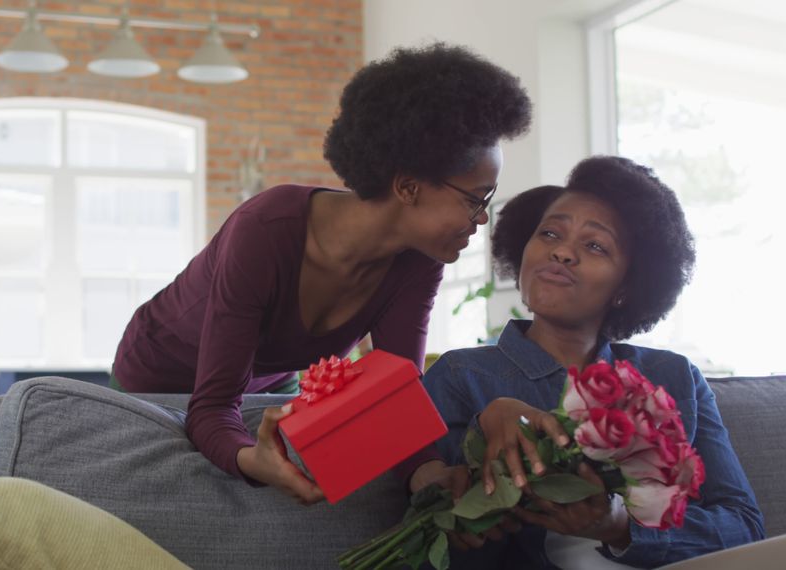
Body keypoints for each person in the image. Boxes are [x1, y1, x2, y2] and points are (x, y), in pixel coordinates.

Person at [110, 43, 532, 503]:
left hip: (268, 385)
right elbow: (211, 407)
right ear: (408, 187)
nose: (483, 219)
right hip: (158, 376)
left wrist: (428, 475)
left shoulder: (418, 260)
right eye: (476, 198)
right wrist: (251, 459)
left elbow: (396, 394)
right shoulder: (265, 230)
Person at [421, 156, 764, 568]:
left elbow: (744, 527)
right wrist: (488, 427)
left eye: (595, 245)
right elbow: (431, 526)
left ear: (627, 286)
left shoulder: (674, 378)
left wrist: (620, 524)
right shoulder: (459, 377)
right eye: (549, 233)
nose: (562, 252)